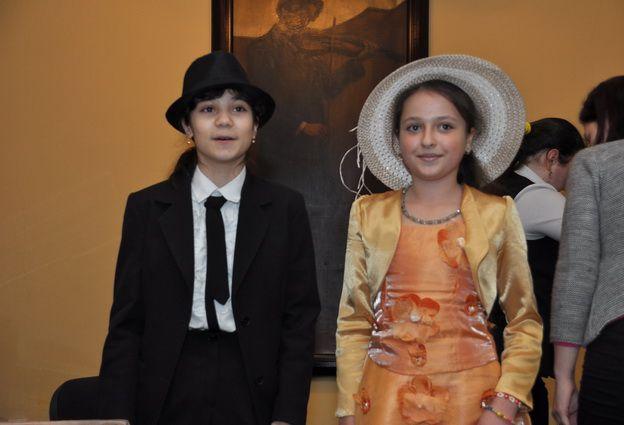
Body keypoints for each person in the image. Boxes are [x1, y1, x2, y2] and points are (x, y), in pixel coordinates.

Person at [98, 51, 320, 425]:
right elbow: (126, 324)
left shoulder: (286, 208)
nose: (224, 120)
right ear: (188, 126)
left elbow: (299, 322)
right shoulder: (146, 208)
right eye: (208, 109)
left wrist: (287, 415)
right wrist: (116, 416)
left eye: (238, 109)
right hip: (166, 391)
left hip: (253, 391)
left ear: (255, 126)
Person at [335, 55, 543, 425]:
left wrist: (505, 404)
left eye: (445, 126)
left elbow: (524, 322)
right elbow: (354, 322)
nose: (428, 140)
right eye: (414, 127)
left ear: (469, 137)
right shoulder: (369, 214)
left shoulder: (496, 214)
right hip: (383, 402)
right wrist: (348, 411)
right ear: (397, 140)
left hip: (476, 402)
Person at [551, 75, 624, 425]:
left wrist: (563, 377)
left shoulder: (596, 162)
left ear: (608, 119)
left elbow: (577, 270)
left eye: (590, 137)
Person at [484, 118, 584, 424]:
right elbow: (598, 236)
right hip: (514, 339)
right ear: (552, 158)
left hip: (492, 336)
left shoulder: (501, 187)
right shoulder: (536, 196)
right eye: (574, 167)